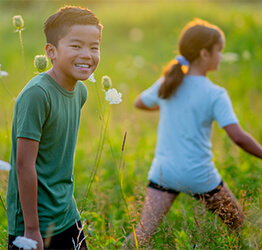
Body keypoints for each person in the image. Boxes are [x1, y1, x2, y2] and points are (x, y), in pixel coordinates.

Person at [126, 18, 262, 247]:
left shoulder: (168, 82)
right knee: (238, 224)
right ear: (204, 54)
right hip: (199, 176)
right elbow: (238, 137)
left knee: (142, 233)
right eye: (219, 50)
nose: (221, 56)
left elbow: (140, 102)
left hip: (163, 173)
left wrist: (169, 103)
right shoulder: (215, 94)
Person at [6, 6, 103, 250]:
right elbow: (24, 165)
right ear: (51, 51)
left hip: (67, 214)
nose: (87, 54)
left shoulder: (80, 91)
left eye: (94, 47)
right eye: (76, 45)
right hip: (34, 222)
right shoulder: (37, 94)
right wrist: (31, 230)